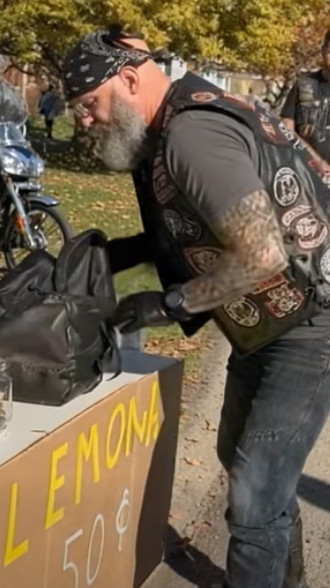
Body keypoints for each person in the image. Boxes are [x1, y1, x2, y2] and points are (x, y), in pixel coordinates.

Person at [63, 26, 330, 588]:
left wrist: (165, 304)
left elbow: (261, 255)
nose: (82, 121)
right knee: (246, 468)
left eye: (88, 104)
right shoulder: (173, 126)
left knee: (256, 495)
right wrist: (114, 256)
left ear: (130, 79)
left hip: (311, 323)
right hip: (265, 321)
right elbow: (190, 229)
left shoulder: (191, 135)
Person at [281, 30, 330, 168]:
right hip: (307, 172)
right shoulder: (303, 85)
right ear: (323, 51)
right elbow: (286, 129)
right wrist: (317, 161)